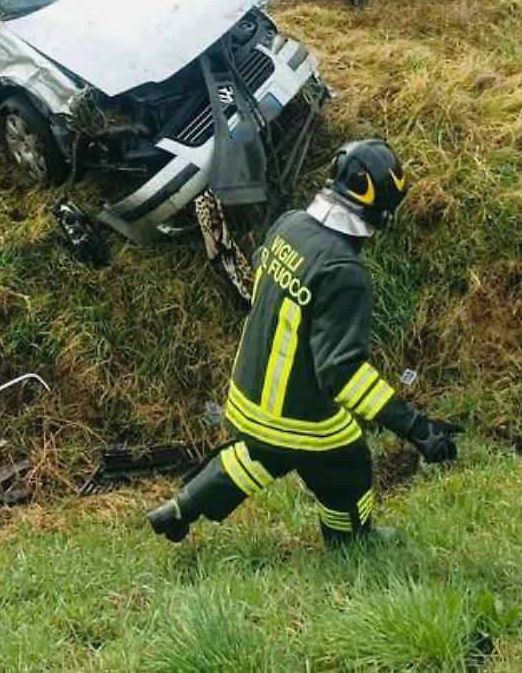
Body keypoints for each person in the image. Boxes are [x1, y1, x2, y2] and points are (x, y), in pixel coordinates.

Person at [147, 138, 462, 550]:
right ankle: (350, 542)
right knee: (347, 464)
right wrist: (416, 428)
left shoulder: (290, 224)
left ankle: (181, 507)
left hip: (247, 390)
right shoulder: (344, 272)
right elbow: (341, 373)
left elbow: (262, 275)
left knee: (264, 453)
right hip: (294, 411)